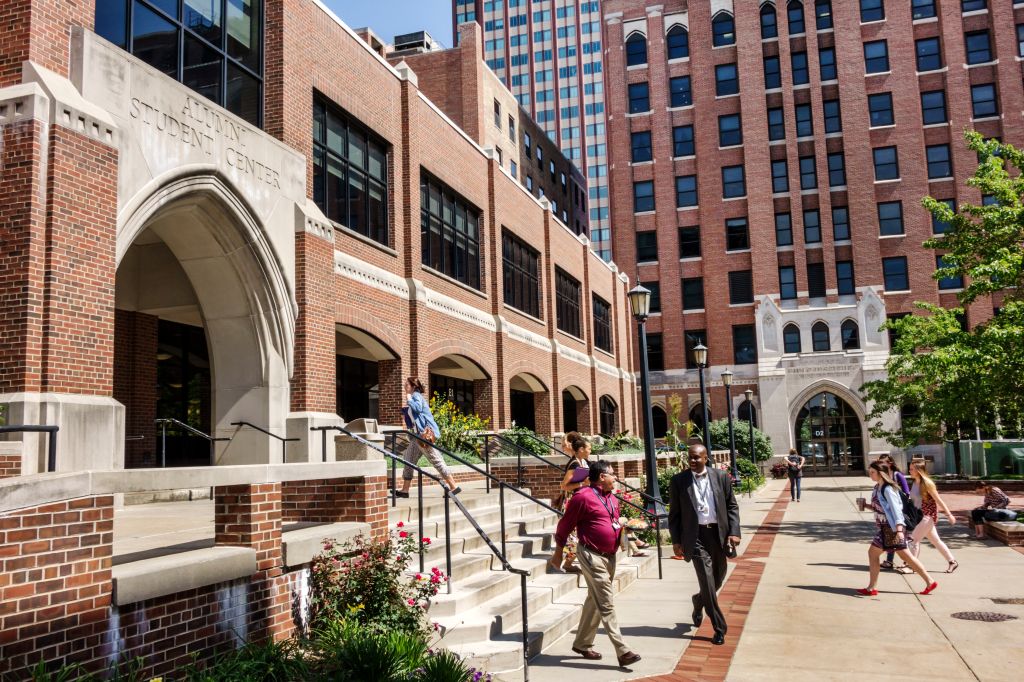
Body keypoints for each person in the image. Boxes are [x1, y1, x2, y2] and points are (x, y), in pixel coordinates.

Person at [551, 460, 642, 668]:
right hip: (591, 555)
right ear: (602, 477)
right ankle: (623, 650)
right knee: (606, 601)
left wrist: (623, 528)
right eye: (613, 474)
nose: (615, 478)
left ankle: (582, 644)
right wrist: (558, 553)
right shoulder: (582, 497)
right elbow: (564, 526)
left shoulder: (611, 498)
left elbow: (612, 521)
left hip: (610, 556)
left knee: (595, 598)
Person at [667, 444, 741, 646]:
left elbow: (731, 505)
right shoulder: (678, 481)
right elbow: (674, 515)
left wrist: (734, 532)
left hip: (717, 535)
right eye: (690, 457)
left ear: (706, 458)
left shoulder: (721, 477)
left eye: (696, 458)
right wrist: (676, 540)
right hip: (695, 537)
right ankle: (719, 627)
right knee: (707, 581)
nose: (692, 461)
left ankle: (698, 601)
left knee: (716, 580)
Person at [857, 460, 937, 596]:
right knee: (906, 556)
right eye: (869, 472)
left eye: (872, 472)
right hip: (886, 527)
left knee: (873, 553)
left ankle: (871, 588)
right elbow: (882, 509)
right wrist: (866, 505)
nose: (870, 475)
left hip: (891, 529)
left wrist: (899, 530)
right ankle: (930, 581)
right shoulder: (877, 487)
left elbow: (896, 511)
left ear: (881, 473)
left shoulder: (887, 489)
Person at [397, 377, 461, 497]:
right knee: (409, 460)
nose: (404, 385)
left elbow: (418, 408)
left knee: (436, 460)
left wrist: (409, 398)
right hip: (416, 436)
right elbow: (414, 417)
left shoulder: (415, 396)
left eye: (407, 384)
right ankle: (405, 490)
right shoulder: (414, 397)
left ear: (413, 386)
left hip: (424, 436)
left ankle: (454, 486)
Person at [549, 435, 591, 573]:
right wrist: (582, 483)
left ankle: (567, 562)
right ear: (580, 450)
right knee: (573, 533)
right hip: (570, 502)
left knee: (576, 533)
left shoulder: (583, 462)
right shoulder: (574, 463)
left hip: (579, 500)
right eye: (588, 448)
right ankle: (562, 562)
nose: (590, 450)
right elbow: (564, 485)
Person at [908, 461, 958, 573]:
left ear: (918, 470)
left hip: (928, 515)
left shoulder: (926, 483)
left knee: (913, 540)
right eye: (910, 469)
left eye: (911, 469)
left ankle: (911, 566)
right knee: (936, 541)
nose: (909, 471)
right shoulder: (915, 482)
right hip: (919, 516)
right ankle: (952, 561)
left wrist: (949, 514)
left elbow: (938, 499)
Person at [877, 454, 910, 572]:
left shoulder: (897, 475)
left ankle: (910, 563)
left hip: (899, 512)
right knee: (892, 540)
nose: (880, 464)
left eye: (883, 462)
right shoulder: (882, 478)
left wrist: (896, 501)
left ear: (890, 463)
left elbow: (906, 492)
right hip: (888, 515)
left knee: (900, 541)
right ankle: (890, 561)